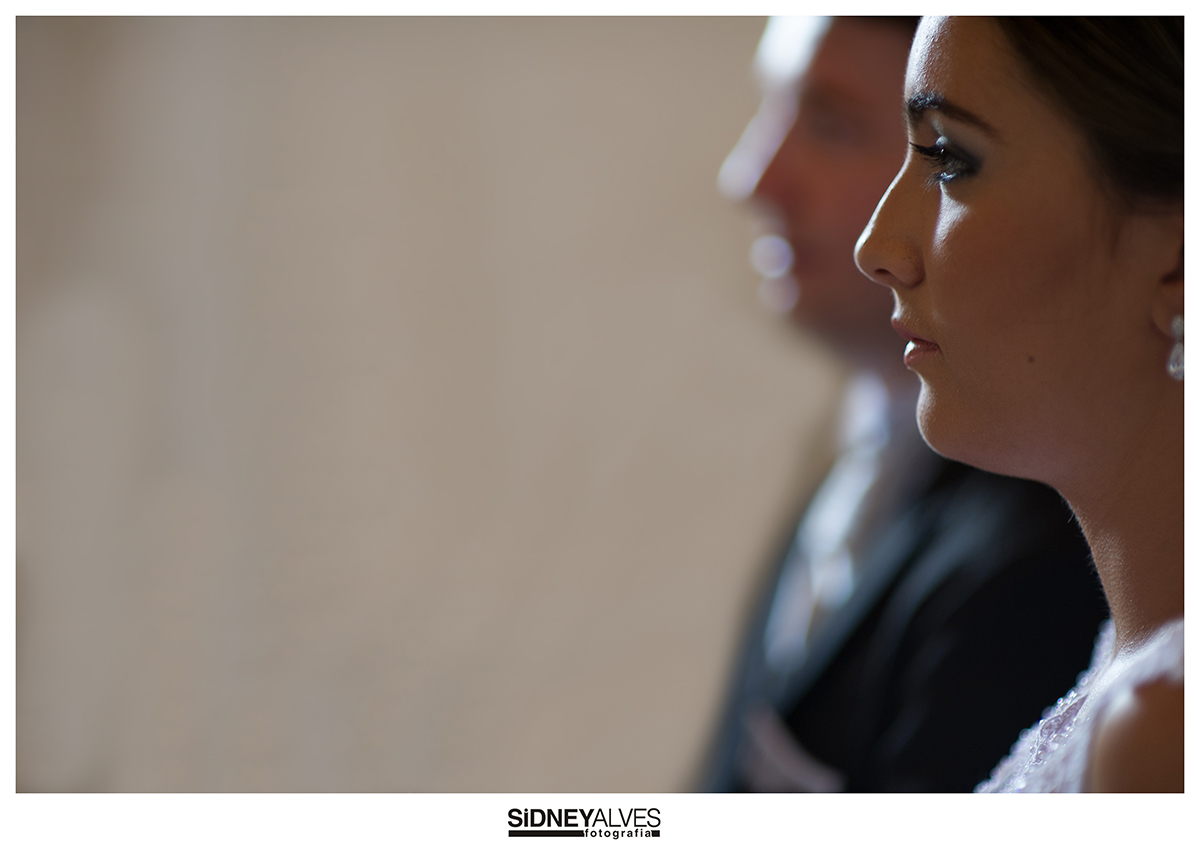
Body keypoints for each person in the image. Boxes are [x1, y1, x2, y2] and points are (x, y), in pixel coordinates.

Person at [701, 16, 1109, 792]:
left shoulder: (1048, 543)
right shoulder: (856, 442)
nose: (751, 178)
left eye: (831, 124)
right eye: (772, 107)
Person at [854, 16, 1183, 792]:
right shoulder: (1131, 667)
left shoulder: (1163, 736)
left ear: (1178, 259)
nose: (876, 248)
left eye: (949, 159)